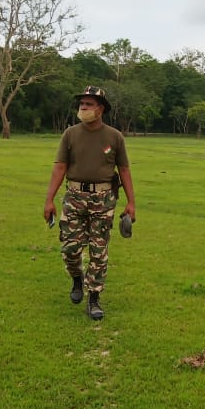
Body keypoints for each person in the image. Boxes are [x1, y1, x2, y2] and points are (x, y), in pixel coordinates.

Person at [43, 85, 136, 321]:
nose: (83, 108)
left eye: (88, 104)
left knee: (98, 250)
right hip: (74, 197)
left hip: (103, 199)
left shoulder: (114, 136)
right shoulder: (70, 134)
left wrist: (131, 203)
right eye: (81, 104)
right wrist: (49, 200)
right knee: (70, 249)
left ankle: (94, 298)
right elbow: (59, 168)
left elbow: (124, 169)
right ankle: (77, 279)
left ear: (100, 109)